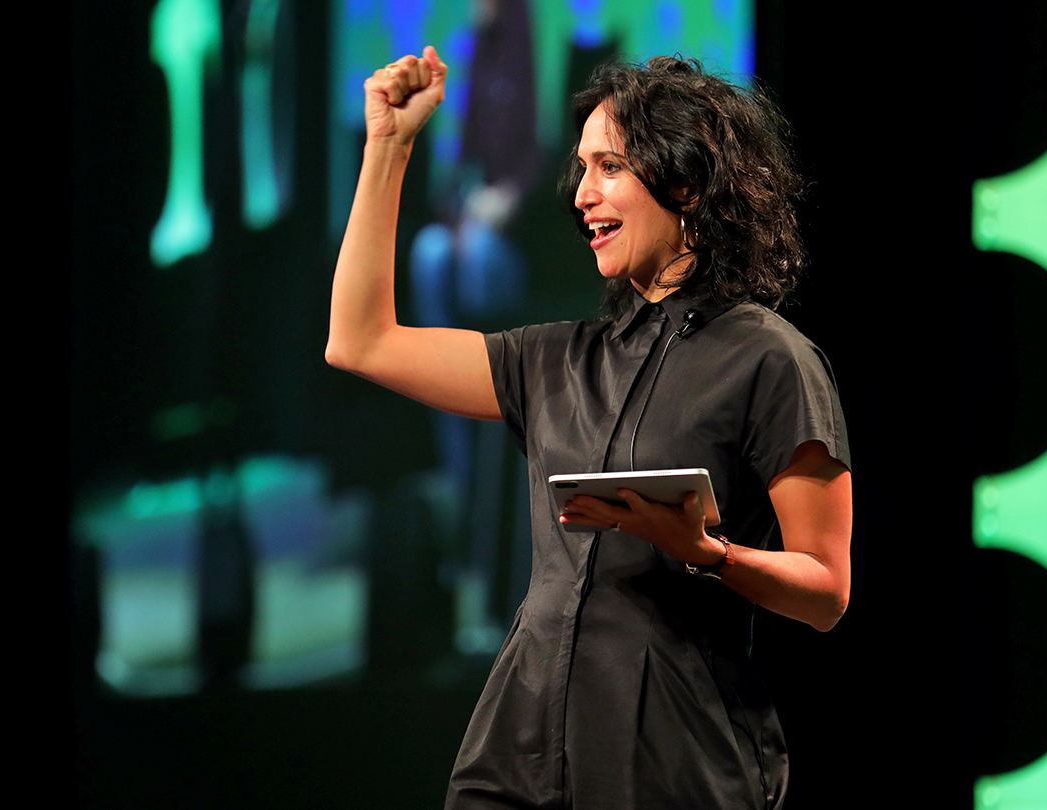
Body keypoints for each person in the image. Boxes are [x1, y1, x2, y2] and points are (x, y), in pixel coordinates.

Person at [326, 46, 853, 810]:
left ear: (683, 179)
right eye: (580, 169)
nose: (581, 194)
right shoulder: (553, 362)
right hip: (519, 750)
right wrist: (390, 145)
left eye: (608, 166)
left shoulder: (768, 358)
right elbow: (360, 340)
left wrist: (706, 554)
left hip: (673, 763)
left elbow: (826, 591)